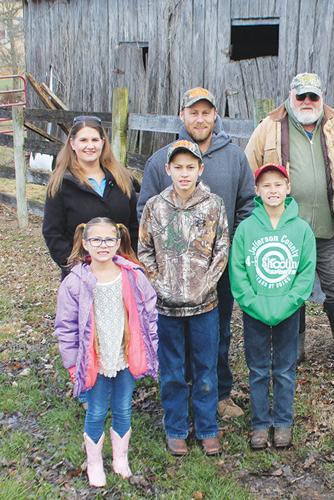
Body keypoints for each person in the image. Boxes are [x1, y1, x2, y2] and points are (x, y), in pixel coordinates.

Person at [245, 73, 334, 372]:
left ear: (322, 96)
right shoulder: (269, 128)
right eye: (302, 96)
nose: (307, 102)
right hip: (285, 232)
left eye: (313, 96)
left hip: (330, 228)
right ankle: (294, 350)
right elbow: (247, 172)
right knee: (291, 290)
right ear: (291, 96)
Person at [138, 87, 254, 419]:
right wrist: (159, 266)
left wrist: (232, 249)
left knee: (218, 330)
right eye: (193, 112)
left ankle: (218, 393)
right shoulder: (162, 160)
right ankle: (182, 391)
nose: (199, 119)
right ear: (182, 115)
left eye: (206, 112)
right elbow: (145, 210)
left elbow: (246, 204)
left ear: (215, 115)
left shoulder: (234, 157)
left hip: (217, 266)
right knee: (175, 334)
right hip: (173, 270)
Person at [138, 140, 229, 456]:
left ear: (200, 169)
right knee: (173, 368)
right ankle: (176, 427)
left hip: (204, 304)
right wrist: (158, 283)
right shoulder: (155, 206)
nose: (184, 173)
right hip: (167, 306)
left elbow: (221, 249)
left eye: (191, 167)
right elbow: (145, 250)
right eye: (178, 167)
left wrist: (207, 283)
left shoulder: (213, 205)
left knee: (206, 367)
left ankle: (206, 427)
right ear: (168, 170)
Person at [54, 217, 159, 488]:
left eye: (109, 239)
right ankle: (94, 462)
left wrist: (151, 350)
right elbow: (65, 328)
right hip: (94, 360)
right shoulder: (75, 282)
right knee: (97, 409)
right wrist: (72, 364)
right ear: (85, 243)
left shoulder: (133, 276)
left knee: (124, 407)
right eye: (96, 240)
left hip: (124, 355)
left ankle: (120, 458)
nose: (103, 245)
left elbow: (149, 316)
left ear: (119, 241)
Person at [229, 163, 316, 450]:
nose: (273, 190)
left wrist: (290, 302)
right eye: (266, 185)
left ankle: (282, 423)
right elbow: (238, 270)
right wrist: (250, 302)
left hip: (288, 311)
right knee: (257, 369)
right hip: (254, 312)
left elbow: (305, 272)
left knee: (284, 369)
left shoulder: (301, 229)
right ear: (257, 191)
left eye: (278, 184)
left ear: (288, 188)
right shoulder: (246, 228)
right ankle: (259, 424)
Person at [43, 115, 139, 279]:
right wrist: (75, 269)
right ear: (72, 143)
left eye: (95, 140)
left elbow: (134, 226)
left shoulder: (123, 179)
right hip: (82, 274)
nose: (90, 146)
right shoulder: (62, 184)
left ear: (103, 142)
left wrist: (132, 261)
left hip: (122, 271)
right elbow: (53, 233)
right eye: (83, 140)